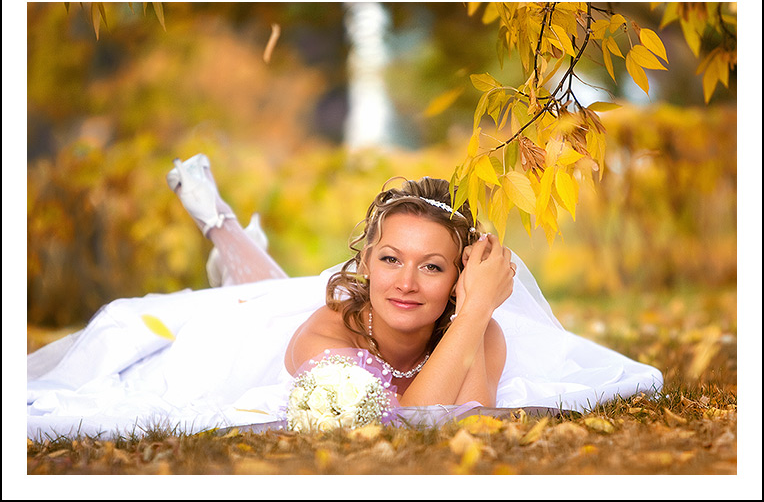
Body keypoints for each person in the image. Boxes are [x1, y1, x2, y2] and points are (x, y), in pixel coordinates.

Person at [27, 154, 663, 439]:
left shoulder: (479, 328)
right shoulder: (327, 332)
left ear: (461, 276)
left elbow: (444, 418)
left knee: (269, 291)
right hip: (240, 343)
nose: (407, 283)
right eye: (390, 259)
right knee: (246, 305)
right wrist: (469, 312)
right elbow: (419, 421)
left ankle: (225, 230)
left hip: (430, 316)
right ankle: (217, 221)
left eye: (434, 267)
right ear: (364, 260)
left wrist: (475, 311)